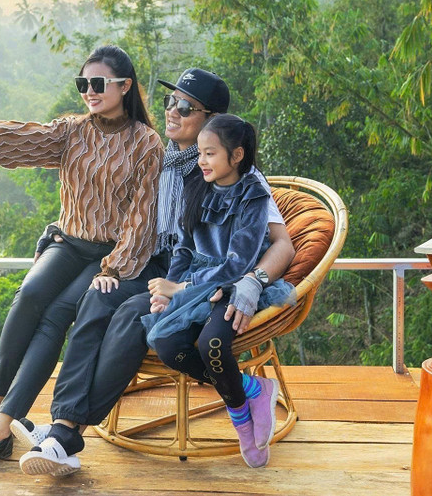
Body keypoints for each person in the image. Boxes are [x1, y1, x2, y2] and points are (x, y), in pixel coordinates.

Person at [16, 69, 294, 477]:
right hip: (150, 262)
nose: (172, 112)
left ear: (212, 120)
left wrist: (254, 280)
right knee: (96, 297)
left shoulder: (234, 176)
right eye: (169, 102)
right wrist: (61, 230)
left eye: (185, 106)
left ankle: (65, 434)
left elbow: (283, 244)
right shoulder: (158, 158)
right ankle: (63, 423)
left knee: (132, 315)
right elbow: (107, 202)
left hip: (198, 272)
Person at [0, 45, 163, 473]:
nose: (89, 91)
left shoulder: (146, 143)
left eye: (98, 83)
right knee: (28, 296)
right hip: (69, 242)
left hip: (109, 254)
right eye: (83, 83)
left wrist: (113, 269)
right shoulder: (72, 131)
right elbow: (21, 140)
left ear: (125, 86)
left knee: (57, 313)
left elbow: (143, 217)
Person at [141, 113, 295, 468]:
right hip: (196, 281)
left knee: (212, 344)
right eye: (200, 153)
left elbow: (239, 263)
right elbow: (183, 248)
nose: (202, 161)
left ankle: (242, 425)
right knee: (167, 345)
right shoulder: (196, 187)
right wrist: (167, 291)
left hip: (232, 283)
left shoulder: (253, 194)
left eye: (210, 154)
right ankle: (254, 390)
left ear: (236, 155)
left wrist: (182, 287)